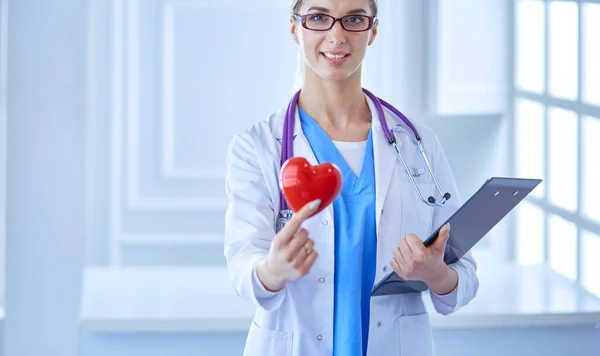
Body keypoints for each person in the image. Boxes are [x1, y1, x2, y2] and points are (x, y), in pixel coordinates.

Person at [223, 0, 479, 355]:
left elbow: (463, 273)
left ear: (373, 30)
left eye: (354, 19)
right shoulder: (257, 147)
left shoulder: (417, 143)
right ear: (294, 27)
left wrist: (436, 275)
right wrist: (271, 270)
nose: (336, 35)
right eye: (317, 17)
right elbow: (241, 266)